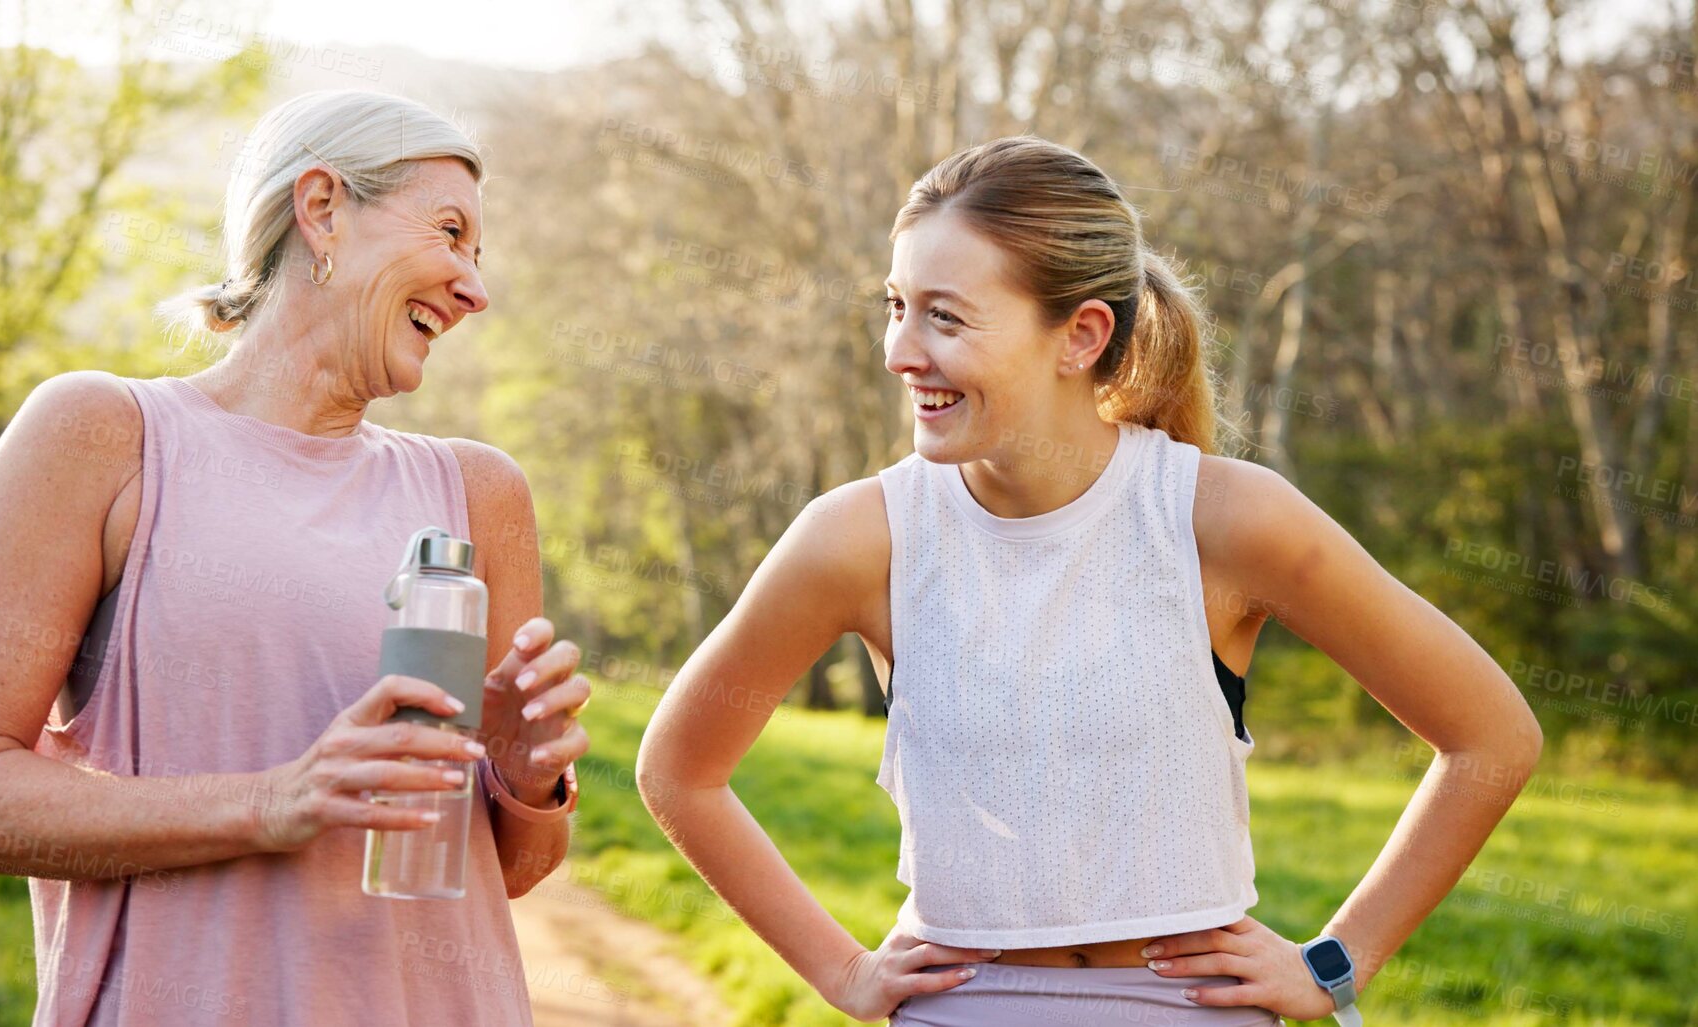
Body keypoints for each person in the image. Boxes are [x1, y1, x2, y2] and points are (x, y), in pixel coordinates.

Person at [635, 136, 1542, 1025]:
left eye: (944, 317)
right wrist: (841, 972)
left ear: (1080, 335)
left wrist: (1334, 964)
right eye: (895, 306)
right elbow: (681, 770)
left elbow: (1489, 738)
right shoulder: (858, 538)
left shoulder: (1222, 519)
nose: (899, 352)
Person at [0, 89, 591, 1026]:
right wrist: (276, 800)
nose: (475, 287)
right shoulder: (102, 436)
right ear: (322, 206)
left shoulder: (479, 492)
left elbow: (509, 868)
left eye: (478, 255)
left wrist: (527, 775)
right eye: (450, 233)